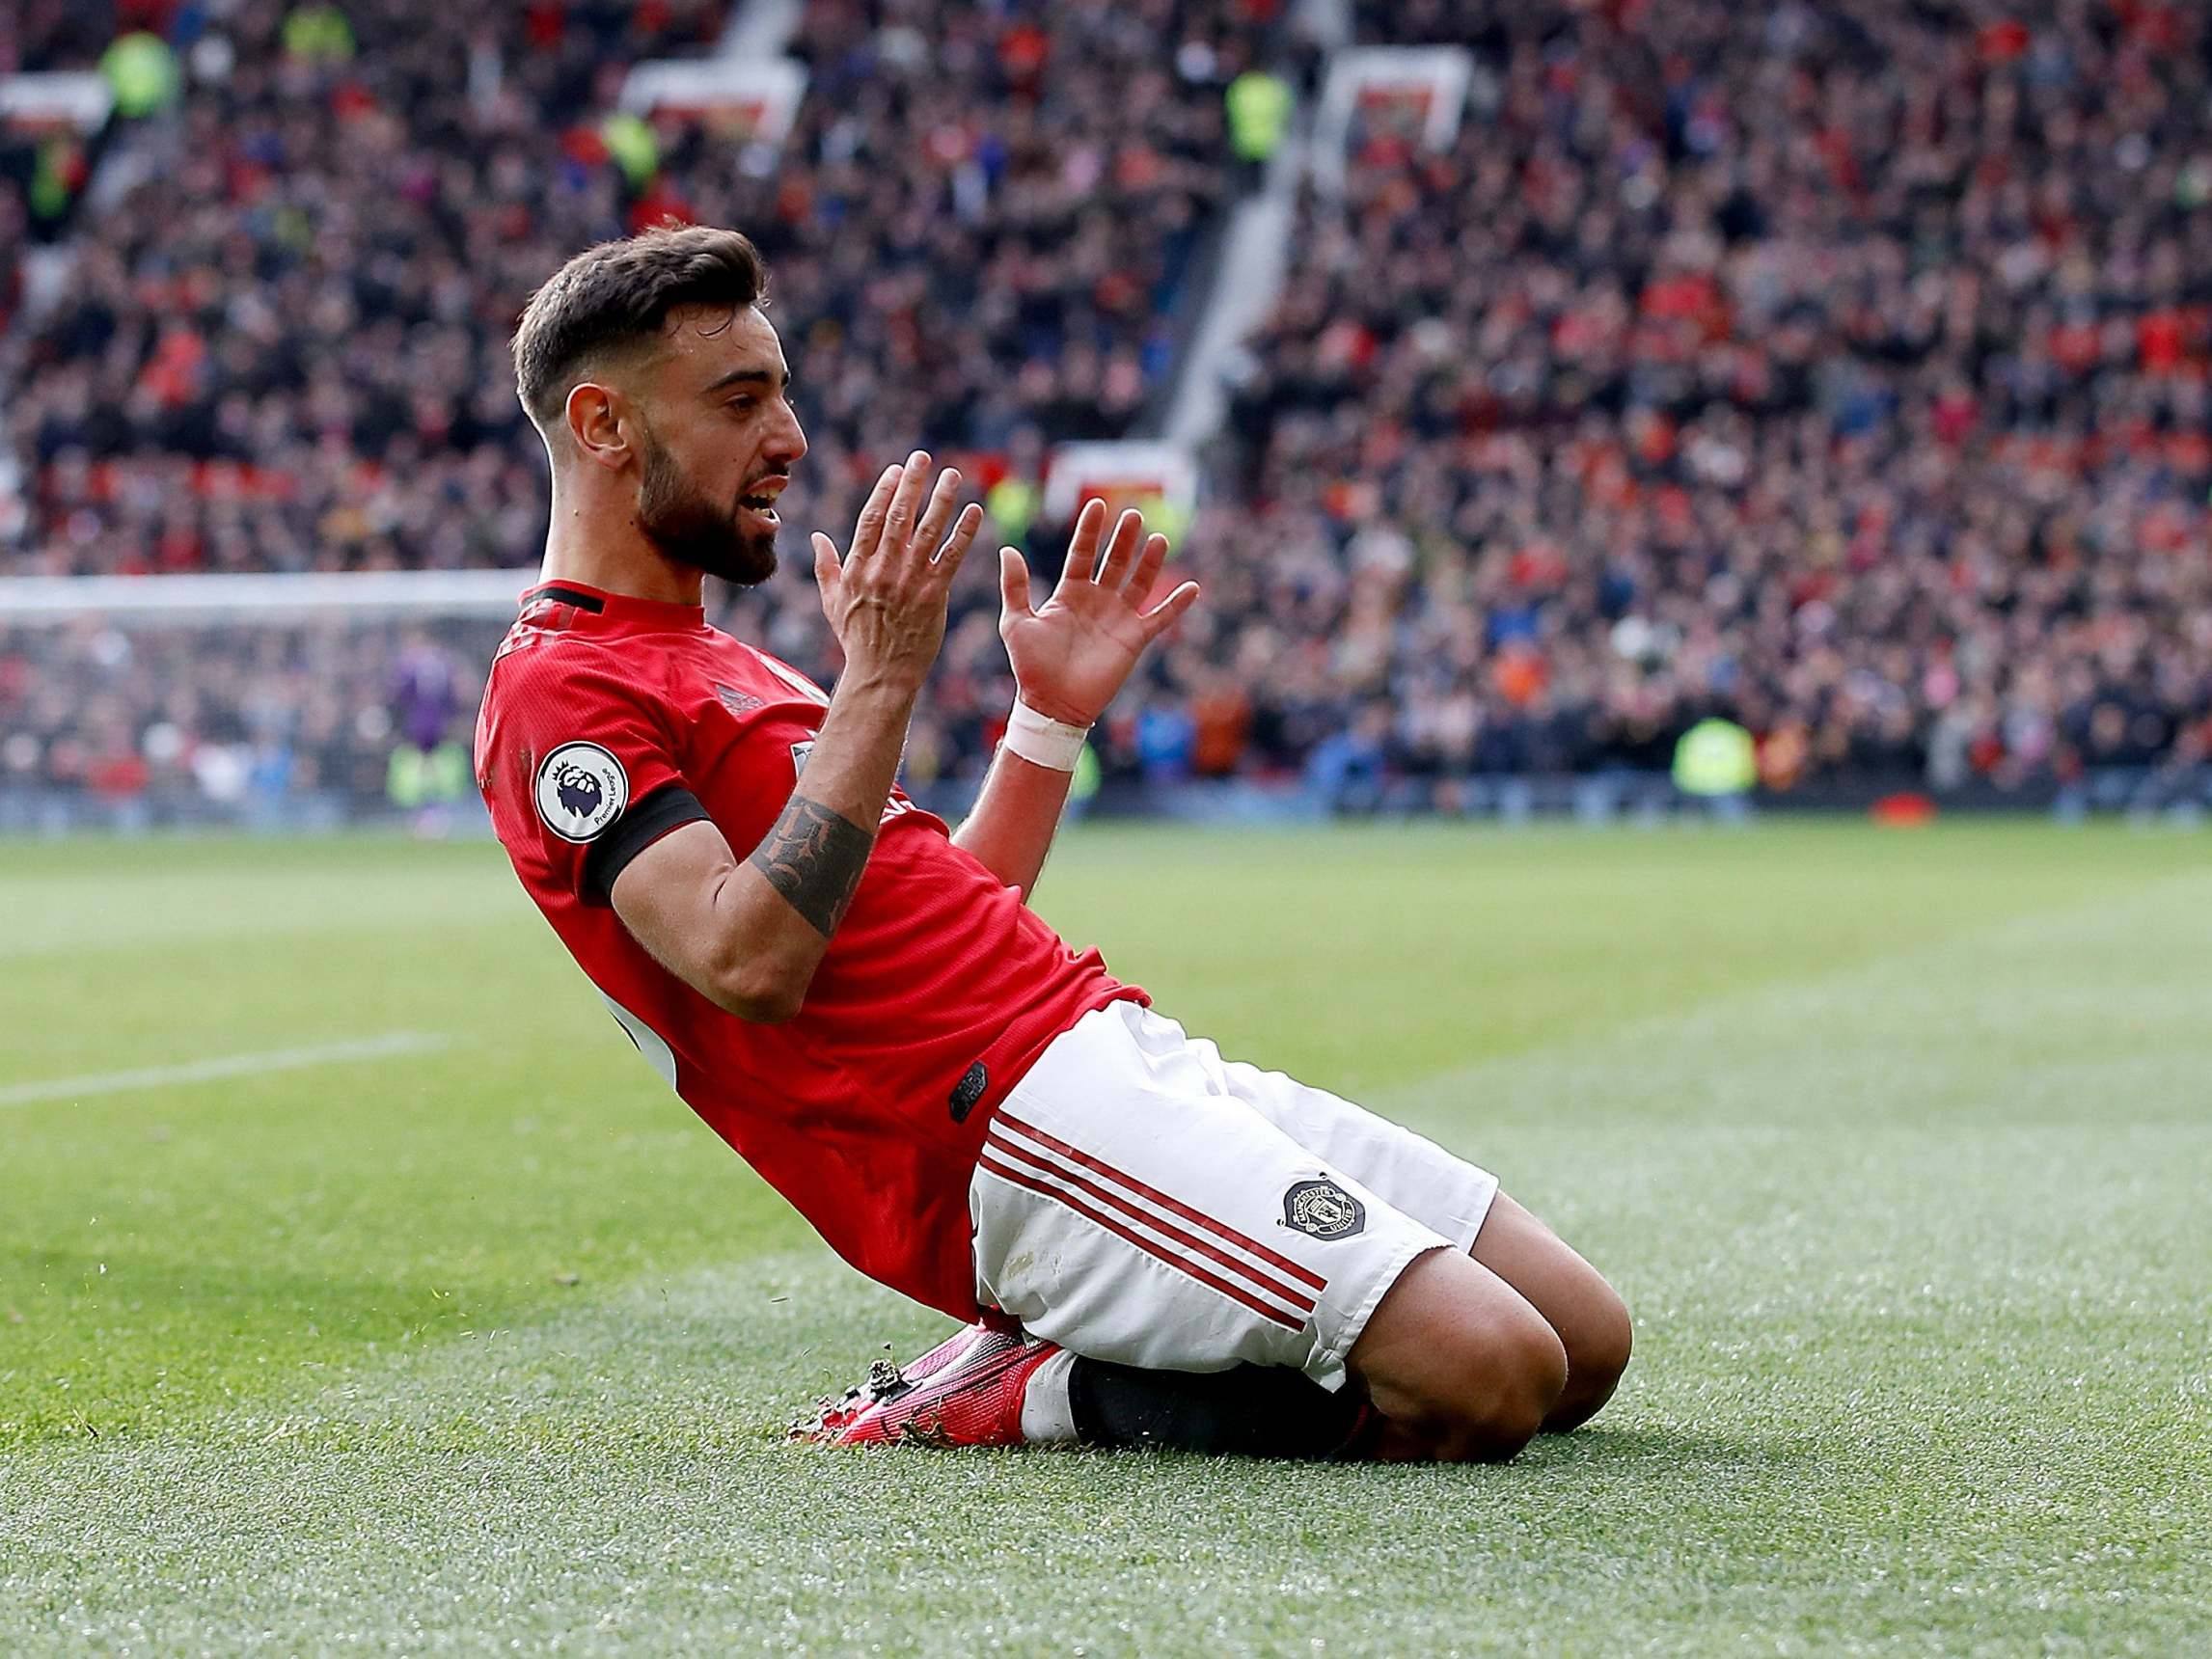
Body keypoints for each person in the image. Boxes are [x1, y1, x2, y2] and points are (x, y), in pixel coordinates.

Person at [476, 225, 1631, 1462]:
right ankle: (1038, 1389)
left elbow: (941, 906)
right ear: (603, 426)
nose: (791, 439)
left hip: (1102, 1044)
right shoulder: (560, 692)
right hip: (993, 1133)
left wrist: (1047, 720)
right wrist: (880, 684)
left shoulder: (716, 655)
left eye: (785, 393)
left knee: (1583, 1342)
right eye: (740, 399)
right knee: (1489, 1378)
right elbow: (747, 962)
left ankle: (1081, 1341)